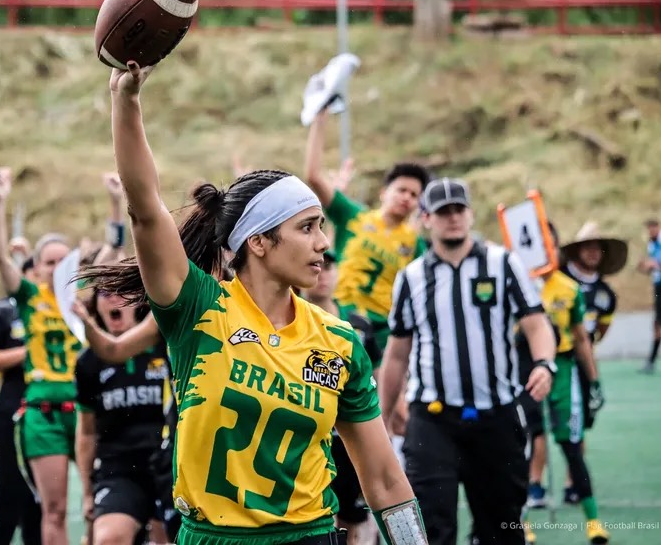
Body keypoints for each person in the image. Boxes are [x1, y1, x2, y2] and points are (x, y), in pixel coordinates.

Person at [79, 62, 426, 545]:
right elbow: (145, 207)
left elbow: (386, 480)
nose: (324, 242)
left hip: (310, 536)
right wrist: (127, 102)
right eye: (306, 227)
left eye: (322, 226)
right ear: (258, 242)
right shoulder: (198, 309)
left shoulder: (339, 342)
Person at [379, 177, 557, 545]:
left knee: (502, 524)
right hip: (432, 418)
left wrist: (544, 364)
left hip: (496, 415)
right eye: (443, 212)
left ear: (471, 214)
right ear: (426, 218)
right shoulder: (411, 278)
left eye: (459, 209)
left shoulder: (503, 264)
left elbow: (537, 325)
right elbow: (397, 353)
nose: (453, 218)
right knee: (431, 525)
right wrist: (381, 417)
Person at [0, 167, 82, 545]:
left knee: (97, 503)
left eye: (65, 261)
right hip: (43, 410)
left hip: (85, 410)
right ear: (37, 266)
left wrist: (115, 203)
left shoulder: (84, 298)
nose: (57, 268)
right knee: (54, 509)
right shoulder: (29, 298)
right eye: (50, 261)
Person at [304, 107, 429, 366]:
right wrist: (320, 120)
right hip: (340, 317)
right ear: (384, 192)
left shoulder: (414, 243)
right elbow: (314, 177)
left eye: (415, 195)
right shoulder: (354, 216)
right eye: (402, 190)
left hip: (383, 333)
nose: (407, 197)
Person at [519, 223, 608, 545]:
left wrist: (594, 381)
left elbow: (582, 338)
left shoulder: (569, 289)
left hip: (564, 373)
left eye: (549, 245)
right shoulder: (516, 286)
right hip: (523, 374)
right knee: (523, 446)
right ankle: (521, 522)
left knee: (572, 445)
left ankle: (593, 521)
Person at [74, 288, 177, 545]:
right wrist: (88, 494)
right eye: (104, 293)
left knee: (168, 536)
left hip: (169, 463)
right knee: (108, 538)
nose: (113, 298)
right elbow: (86, 433)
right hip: (120, 469)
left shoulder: (165, 343)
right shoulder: (89, 362)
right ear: (94, 305)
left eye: (121, 291)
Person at [299, 249, 380, 545]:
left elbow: (376, 379)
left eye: (331, 266)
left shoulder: (357, 326)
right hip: (308, 436)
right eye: (321, 265)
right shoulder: (288, 322)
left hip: (350, 438)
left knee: (352, 515)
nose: (324, 273)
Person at [557, 222, 626, 506]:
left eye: (598, 248)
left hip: (581, 365)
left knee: (580, 423)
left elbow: (600, 331)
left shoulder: (605, 294)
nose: (593, 252)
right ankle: (532, 485)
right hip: (553, 362)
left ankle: (573, 482)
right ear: (576, 251)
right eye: (588, 247)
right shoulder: (560, 281)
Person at [0, 254, 43, 545]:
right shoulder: (2, 312)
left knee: (38, 500)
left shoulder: (60, 313)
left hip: (41, 416)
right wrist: (28, 352)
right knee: (6, 495)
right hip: (0, 413)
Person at [637, 219, 661, 373]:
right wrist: (646, 267)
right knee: (660, 323)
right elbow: (655, 268)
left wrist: (652, 265)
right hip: (660, 287)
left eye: (653, 229)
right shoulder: (653, 244)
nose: (650, 232)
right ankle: (651, 361)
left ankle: (651, 361)